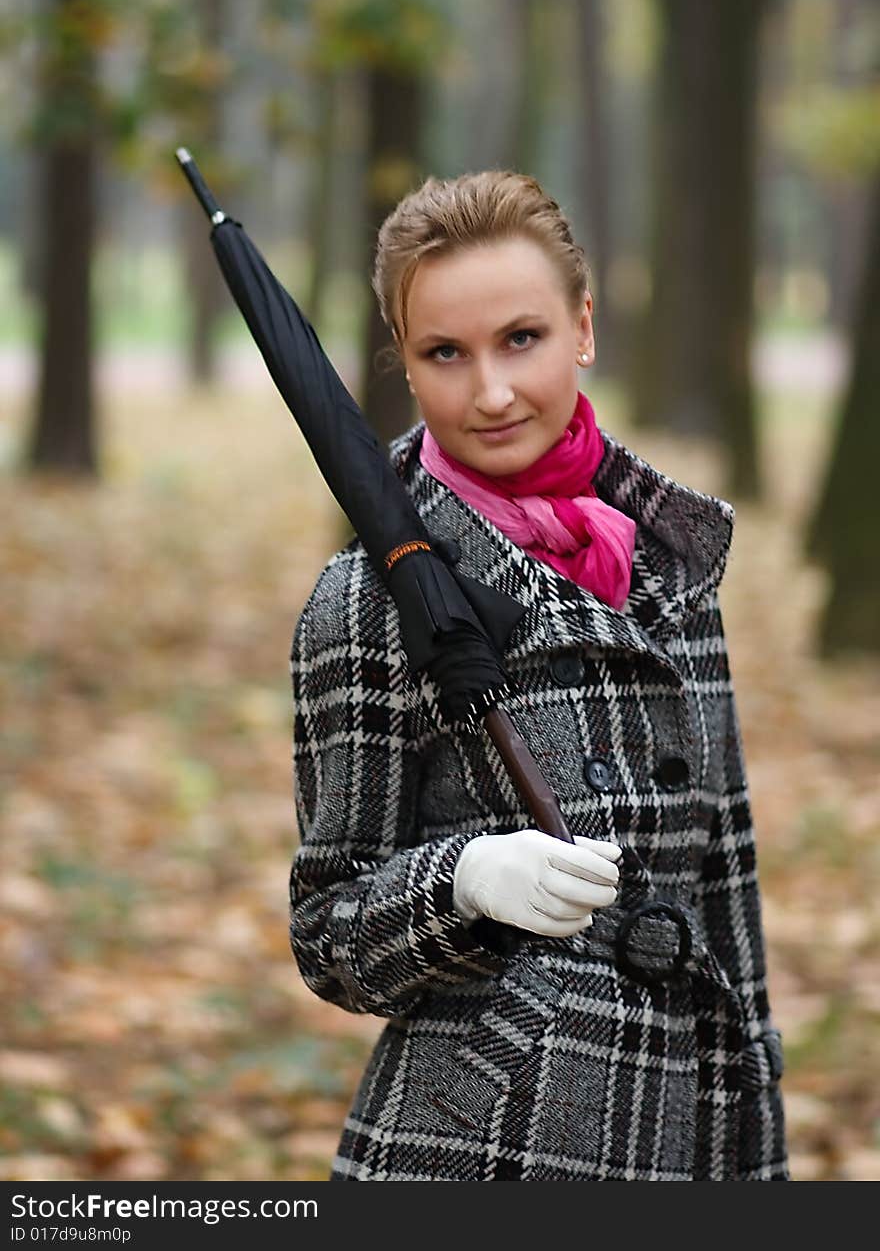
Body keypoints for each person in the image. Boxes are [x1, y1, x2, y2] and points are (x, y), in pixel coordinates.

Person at [288, 170, 789, 1181]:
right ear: (407, 365)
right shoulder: (368, 602)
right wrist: (464, 878)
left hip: (684, 1132)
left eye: (521, 337)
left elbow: (723, 893)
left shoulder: (672, 563)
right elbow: (329, 931)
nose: (492, 392)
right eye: (444, 353)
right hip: (483, 1148)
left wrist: (755, 1157)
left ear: (584, 327)